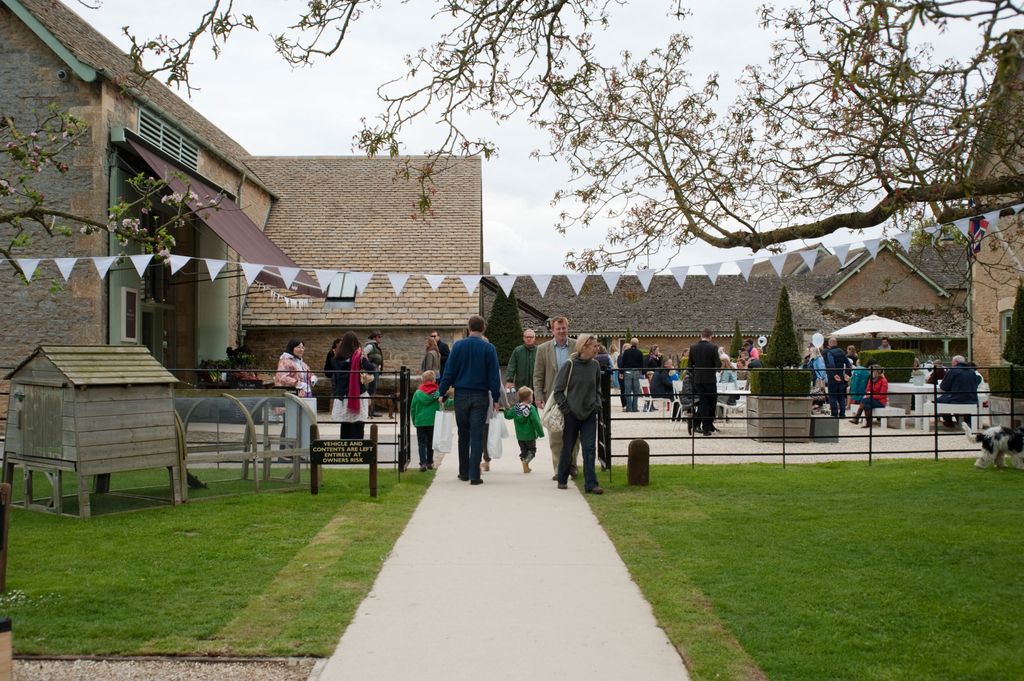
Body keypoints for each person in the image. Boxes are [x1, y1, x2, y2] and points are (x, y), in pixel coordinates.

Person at [437, 315, 502, 485]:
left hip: (461, 394)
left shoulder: (458, 346)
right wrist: (496, 397)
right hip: (481, 395)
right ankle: (475, 475)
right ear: (483, 328)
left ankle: (463, 472)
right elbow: (494, 376)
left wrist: (442, 392)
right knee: (477, 434)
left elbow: (449, 371)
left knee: (463, 433)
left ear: (468, 327)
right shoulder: (489, 348)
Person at [553, 334, 604, 494]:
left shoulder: (595, 365)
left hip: (589, 414)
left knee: (589, 449)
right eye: (594, 346)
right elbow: (558, 390)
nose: (597, 348)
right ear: (584, 347)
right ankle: (562, 478)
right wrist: (566, 410)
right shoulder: (569, 365)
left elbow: (598, 388)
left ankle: (591, 484)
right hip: (571, 415)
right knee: (568, 448)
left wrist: (597, 404)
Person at [533, 316, 580, 478]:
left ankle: (572, 465)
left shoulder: (576, 346)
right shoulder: (542, 349)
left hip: (574, 395)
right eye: (558, 328)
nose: (561, 331)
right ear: (552, 330)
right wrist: (538, 395)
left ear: (568, 328)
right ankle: (559, 469)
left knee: (574, 433)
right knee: (555, 435)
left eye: (564, 328)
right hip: (553, 396)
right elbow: (538, 375)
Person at [331, 332, 377, 439]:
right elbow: (371, 368)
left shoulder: (336, 358)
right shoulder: (358, 357)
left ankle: (345, 447)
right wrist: (364, 357)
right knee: (358, 425)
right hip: (357, 395)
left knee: (345, 426)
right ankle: (357, 447)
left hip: (342, 396)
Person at [410, 370, 450, 471]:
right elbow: (445, 402)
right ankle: (429, 462)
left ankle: (422, 463)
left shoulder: (418, 393)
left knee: (421, 443)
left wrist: (414, 421)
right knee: (431, 443)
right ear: (434, 380)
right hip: (432, 421)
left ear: (423, 380)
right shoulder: (436, 393)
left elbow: (413, 408)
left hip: (420, 421)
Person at [688, 328, 722, 436]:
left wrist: (695, 375)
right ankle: (706, 426)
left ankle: (700, 423)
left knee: (704, 402)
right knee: (711, 403)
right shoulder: (713, 347)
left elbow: (690, 365)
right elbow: (718, 364)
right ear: (710, 336)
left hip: (698, 380)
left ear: (701, 335)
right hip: (710, 379)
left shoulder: (693, 347)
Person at [504, 386, 544, 474]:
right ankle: (526, 462)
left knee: (524, 452)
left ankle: (526, 467)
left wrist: (506, 409)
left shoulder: (515, 409)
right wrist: (541, 433)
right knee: (532, 451)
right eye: (532, 396)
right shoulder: (531, 409)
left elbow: (508, 416)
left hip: (520, 436)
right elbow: (536, 422)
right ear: (529, 397)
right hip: (530, 435)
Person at [937, 355, 978, 427]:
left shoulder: (953, 370)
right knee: (957, 397)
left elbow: (944, 387)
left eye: (952, 363)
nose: (951, 364)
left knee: (939, 400)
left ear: (955, 362)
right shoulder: (972, 371)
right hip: (972, 399)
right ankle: (966, 421)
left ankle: (948, 420)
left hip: (957, 399)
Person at [823, 335, 850, 418]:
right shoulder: (842, 352)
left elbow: (831, 364)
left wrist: (834, 374)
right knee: (841, 396)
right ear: (836, 343)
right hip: (841, 376)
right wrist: (847, 374)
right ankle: (842, 414)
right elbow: (848, 363)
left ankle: (834, 414)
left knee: (833, 396)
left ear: (829, 343)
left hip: (832, 376)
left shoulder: (830, 352)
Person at [618, 337, 646, 413]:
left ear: (631, 343)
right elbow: (642, 364)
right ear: (637, 344)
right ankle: (635, 407)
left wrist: (621, 372)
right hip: (636, 372)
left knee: (628, 390)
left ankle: (629, 407)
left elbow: (623, 363)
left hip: (627, 372)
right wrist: (643, 373)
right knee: (636, 390)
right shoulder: (639, 353)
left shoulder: (626, 352)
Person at [363, 331, 384, 415]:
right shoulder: (370, 346)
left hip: (375, 369)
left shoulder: (375, 346)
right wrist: (369, 365)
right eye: (379, 337)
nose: (380, 338)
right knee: (372, 389)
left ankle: (371, 410)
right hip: (372, 369)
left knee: (373, 389)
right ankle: (369, 411)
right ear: (374, 337)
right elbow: (363, 354)